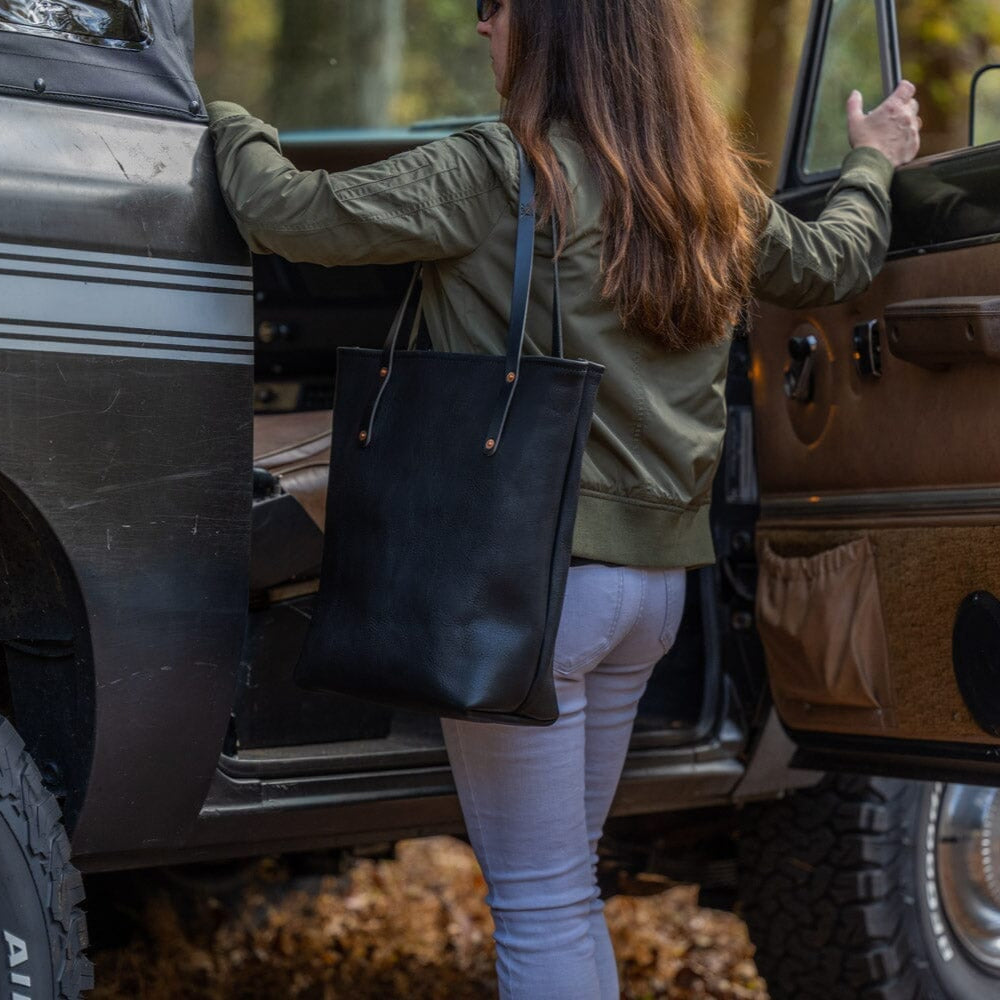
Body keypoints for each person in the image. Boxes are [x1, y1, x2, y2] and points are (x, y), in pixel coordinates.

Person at [206, 2, 921, 996]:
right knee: (566, 885)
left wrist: (217, 111)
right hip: (651, 598)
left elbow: (283, 211)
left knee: (538, 903)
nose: (480, 29)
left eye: (492, 8)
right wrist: (872, 158)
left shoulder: (497, 170)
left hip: (531, 593)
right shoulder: (712, 190)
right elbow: (835, 260)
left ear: (552, 27)